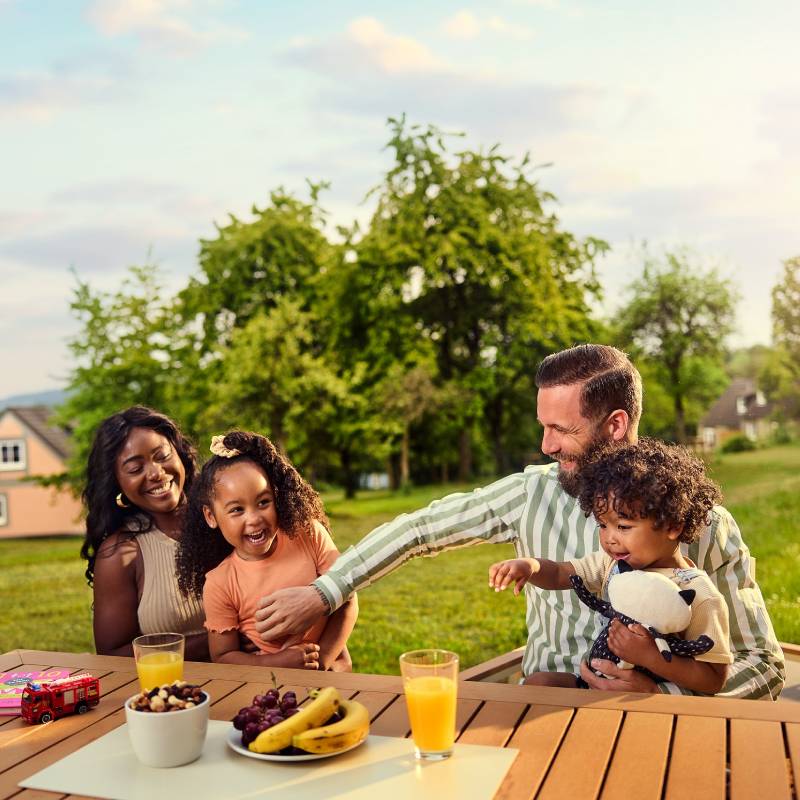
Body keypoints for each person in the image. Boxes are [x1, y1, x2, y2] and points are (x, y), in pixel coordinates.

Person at [253, 344, 785, 698]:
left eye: (561, 429)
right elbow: (419, 529)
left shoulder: (703, 522)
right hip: (545, 698)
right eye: (543, 426)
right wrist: (325, 591)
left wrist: (661, 693)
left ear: (616, 425)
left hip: (660, 723)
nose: (545, 445)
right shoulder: (530, 492)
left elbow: (763, 662)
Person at [489, 438, 732, 693]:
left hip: (646, 702)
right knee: (538, 683)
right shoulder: (610, 564)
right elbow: (561, 573)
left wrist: (650, 657)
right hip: (593, 681)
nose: (609, 538)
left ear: (672, 526)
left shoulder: (699, 595)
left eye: (623, 527)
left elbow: (714, 679)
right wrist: (531, 567)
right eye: (602, 525)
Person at [176, 430, 357, 670]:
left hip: (330, 670)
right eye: (237, 510)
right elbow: (223, 655)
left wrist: (323, 660)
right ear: (211, 516)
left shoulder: (308, 534)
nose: (254, 519)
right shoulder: (220, 583)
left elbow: (348, 598)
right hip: (270, 685)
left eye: (263, 502)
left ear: (276, 497)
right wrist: (278, 662)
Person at [81, 406, 208, 659]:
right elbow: (113, 655)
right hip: (174, 693)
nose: (156, 473)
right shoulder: (121, 554)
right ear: (117, 482)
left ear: (180, 454)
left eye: (162, 456)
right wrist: (218, 641)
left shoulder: (226, 515)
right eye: (135, 469)